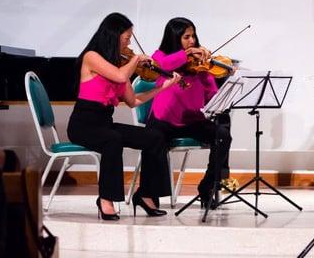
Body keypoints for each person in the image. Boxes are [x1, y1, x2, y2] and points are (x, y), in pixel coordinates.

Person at [67, 12, 181, 220]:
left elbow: (133, 101)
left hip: (105, 123)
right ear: (113, 35)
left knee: (155, 137)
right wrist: (136, 59)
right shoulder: (92, 57)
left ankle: (146, 195)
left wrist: (163, 87)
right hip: (83, 126)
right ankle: (106, 200)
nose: (129, 42)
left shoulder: (120, 65)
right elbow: (120, 75)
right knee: (113, 139)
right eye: (127, 37)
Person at [147, 17, 233, 208]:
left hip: (192, 121)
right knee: (151, 138)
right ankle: (150, 194)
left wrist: (223, 77)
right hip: (164, 120)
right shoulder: (159, 56)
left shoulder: (200, 67)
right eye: (186, 37)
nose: (192, 41)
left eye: (193, 36)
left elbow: (213, 96)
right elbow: (163, 65)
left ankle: (207, 186)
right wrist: (187, 55)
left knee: (222, 136)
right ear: (174, 38)